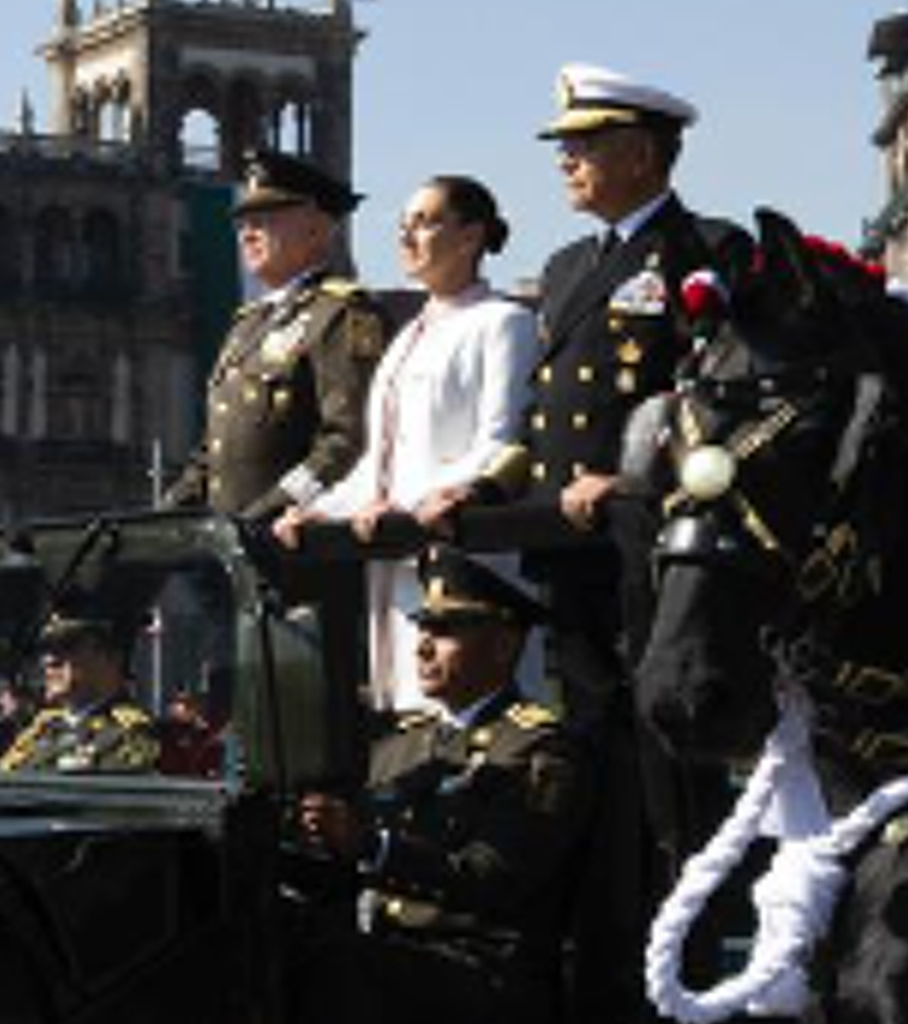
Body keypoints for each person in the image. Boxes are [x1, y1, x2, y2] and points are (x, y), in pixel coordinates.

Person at [432, 64, 745, 708]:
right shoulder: (566, 267)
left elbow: (725, 398)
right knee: (589, 725)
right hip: (563, 536)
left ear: (641, 155)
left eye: (584, 145)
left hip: (652, 536)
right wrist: (487, 486)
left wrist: (630, 479)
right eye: (564, 147)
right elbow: (543, 410)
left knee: (662, 725)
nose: (566, 161)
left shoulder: (707, 249)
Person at [289, 551, 593, 1024]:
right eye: (423, 628)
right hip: (404, 959)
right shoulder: (401, 744)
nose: (424, 646)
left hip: (484, 971)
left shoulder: (537, 748)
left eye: (448, 630)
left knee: (337, 967)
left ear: (504, 646)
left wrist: (372, 845)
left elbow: (492, 879)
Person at [276, 174, 538, 705]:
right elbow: (379, 462)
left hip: (464, 558)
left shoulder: (504, 322)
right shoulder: (407, 338)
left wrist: (408, 503)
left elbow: (500, 441)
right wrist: (322, 509)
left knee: (471, 706)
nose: (406, 236)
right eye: (403, 224)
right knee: (408, 710)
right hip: (394, 553)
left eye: (424, 222)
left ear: (470, 236)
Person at [168, 152, 385, 518]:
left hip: (296, 537)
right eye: (243, 222)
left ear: (316, 229)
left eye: (264, 220)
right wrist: (169, 511)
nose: (247, 233)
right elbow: (214, 450)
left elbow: (346, 440)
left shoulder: (341, 314)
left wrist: (272, 510)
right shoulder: (249, 323)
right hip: (232, 540)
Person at [0, 606, 160, 773]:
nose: (48, 661)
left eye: (67, 647)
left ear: (111, 660)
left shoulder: (131, 732)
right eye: (45, 650)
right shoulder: (40, 729)